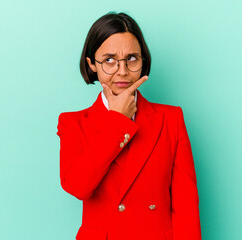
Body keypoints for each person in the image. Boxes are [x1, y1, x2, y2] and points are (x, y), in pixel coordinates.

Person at [57, 12, 202, 240]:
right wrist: (117, 121)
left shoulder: (170, 118)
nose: (122, 71)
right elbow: (78, 186)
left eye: (132, 58)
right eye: (109, 60)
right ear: (92, 64)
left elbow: (186, 206)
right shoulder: (73, 123)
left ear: (143, 61)